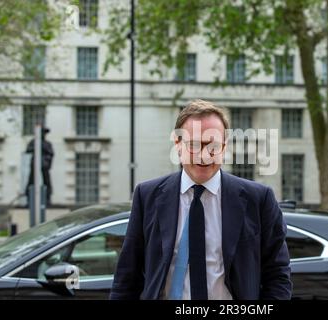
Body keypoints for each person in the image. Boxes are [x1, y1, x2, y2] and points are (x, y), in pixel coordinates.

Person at [110, 100, 291, 300]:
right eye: (194, 144)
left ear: (224, 146)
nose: (204, 155)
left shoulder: (258, 199)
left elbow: (277, 276)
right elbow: (127, 277)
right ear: (178, 145)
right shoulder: (147, 196)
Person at [25, 127, 54, 207]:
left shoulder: (48, 144)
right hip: (35, 164)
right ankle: (29, 199)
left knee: (47, 182)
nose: (43, 135)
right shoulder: (33, 142)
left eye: (44, 133)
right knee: (31, 181)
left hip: (44, 164)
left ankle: (48, 199)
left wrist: (48, 162)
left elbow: (51, 153)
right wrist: (36, 147)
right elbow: (27, 150)